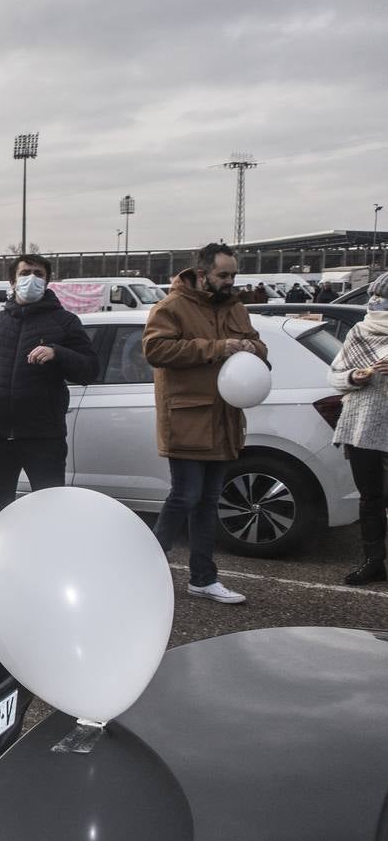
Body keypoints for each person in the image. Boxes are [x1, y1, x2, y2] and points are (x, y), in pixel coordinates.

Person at [143, 242, 267, 605]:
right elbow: (155, 350)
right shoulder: (170, 307)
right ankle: (144, 566)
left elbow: (258, 345)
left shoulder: (235, 306)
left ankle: (203, 577)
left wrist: (252, 350)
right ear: (201, 274)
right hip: (186, 419)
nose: (230, 281)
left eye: (233, 275)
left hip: (224, 420)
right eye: (223, 275)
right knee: (185, 496)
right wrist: (218, 348)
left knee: (208, 502)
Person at [0, 255, 99, 520]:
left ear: (48, 281)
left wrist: (57, 352)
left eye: (39, 274)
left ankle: (46, 559)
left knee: (49, 511)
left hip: (43, 437)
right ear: (12, 281)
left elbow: (90, 370)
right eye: (26, 273)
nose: (32, 279)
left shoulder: (65, 322)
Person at [328, 272, 388, 584]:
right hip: (361, 426)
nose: (376, 302)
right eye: (375, 296)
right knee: (371, 497)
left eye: (382, 297)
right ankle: (374, 560)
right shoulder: (359, 332)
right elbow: (335, 376)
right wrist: (356, 376)